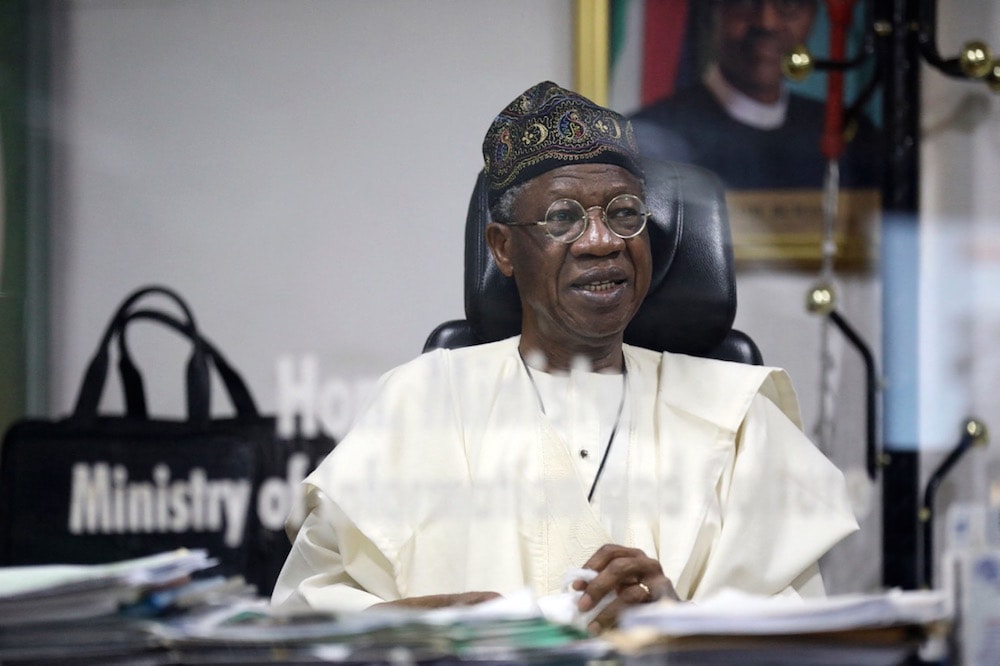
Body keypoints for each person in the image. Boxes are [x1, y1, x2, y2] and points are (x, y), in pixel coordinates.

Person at [271, 81, 858, 633]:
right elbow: (306, 616)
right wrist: (433, 626)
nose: (602, 240)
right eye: (563, 218)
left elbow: (797, 640)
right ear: (503, 248)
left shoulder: (737, 418)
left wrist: (676, 624)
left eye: (625, 213)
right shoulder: (421, 399)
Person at [629, 0, 881, 190]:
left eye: (788, 4)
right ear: (709, 14)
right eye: (745, 1)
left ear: (812, 17)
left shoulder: (847, 134)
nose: (767, 22)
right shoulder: (648, 137)